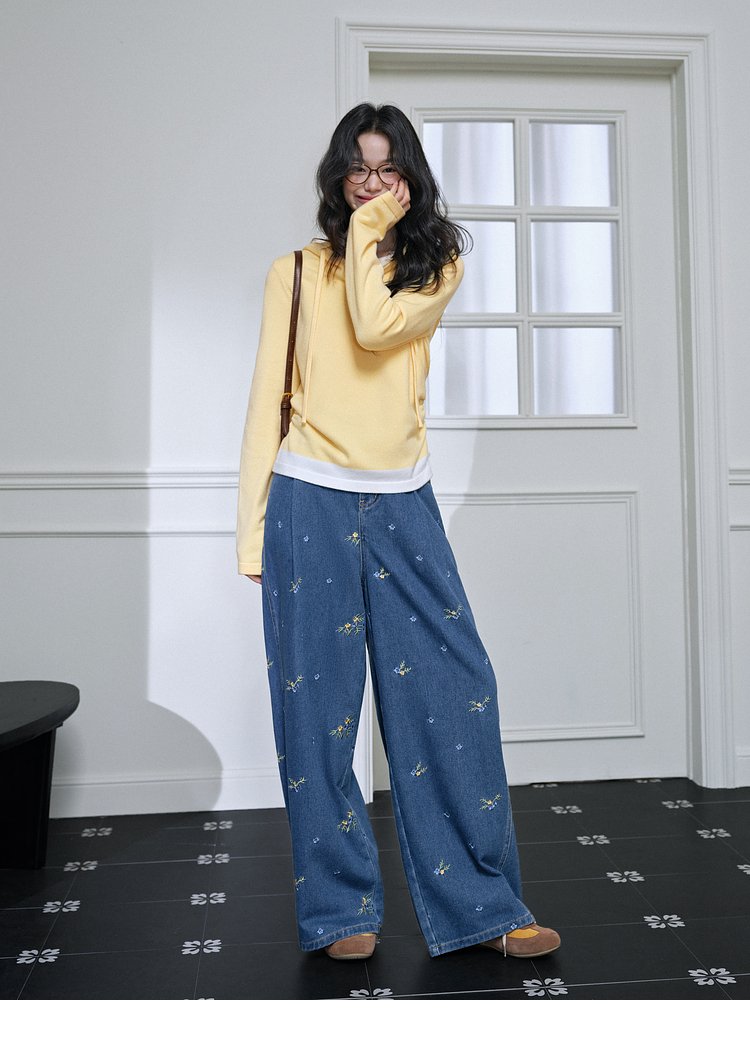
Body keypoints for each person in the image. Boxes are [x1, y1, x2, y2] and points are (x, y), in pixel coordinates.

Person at [237, 102, 560, 961]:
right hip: (306, 498)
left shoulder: (433, 263)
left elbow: (374, 327)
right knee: (317, 712)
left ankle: (483, 904)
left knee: (455, 691)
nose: (371, 183)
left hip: (402, 498)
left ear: (409, 177)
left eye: (388, 168)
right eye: (359, 167)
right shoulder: (293, 272)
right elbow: (265, 402)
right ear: (337, 174)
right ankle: (339, 910)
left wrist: (371, 228)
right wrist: (251, 533)